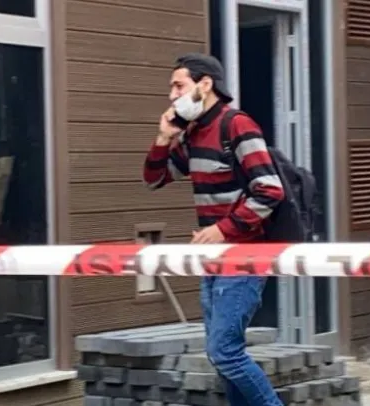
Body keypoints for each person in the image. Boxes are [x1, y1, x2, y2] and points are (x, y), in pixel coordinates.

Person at [142, 53, 285, 406]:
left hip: (244, 257)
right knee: (222, 357)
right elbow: (154, 179)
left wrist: (221, 230)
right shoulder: (193, 133)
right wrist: (163, 139)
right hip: (213, 261)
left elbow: (270, 190)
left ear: (204, 85)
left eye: (179, 86)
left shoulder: (237, 125)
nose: (172, 95)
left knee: (224, 352)